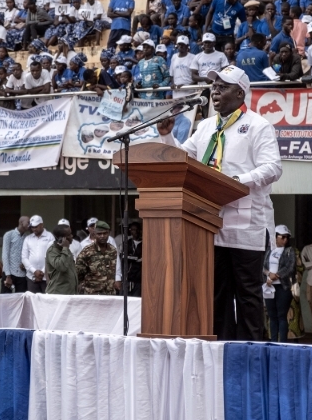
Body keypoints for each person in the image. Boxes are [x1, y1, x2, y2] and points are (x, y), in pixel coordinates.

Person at [158, 65, 282, 341]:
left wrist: (237, 181)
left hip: (245, 224)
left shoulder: (258, 126)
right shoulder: (205, 127)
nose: (215, 91)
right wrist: (167, 136)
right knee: (218, 292)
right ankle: (223, 347)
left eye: (222, 86)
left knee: (248, 293)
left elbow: (273, 168)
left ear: (240, 93)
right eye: (214, 86)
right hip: (210, 221)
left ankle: (252, 349)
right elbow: (183, 159)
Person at [263, 225, 296, 342]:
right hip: (269, 286)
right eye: (282, 237)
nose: (285, 240)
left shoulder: (289, 251)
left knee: (282, 315)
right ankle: (273, 340)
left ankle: (282, 341)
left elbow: (290, 267)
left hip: (283, 286)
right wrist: (268, 275)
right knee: (272, 316)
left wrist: (276, 275)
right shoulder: (268, 250)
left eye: (287, 237)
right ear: (275, 237)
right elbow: (262, 265)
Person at [76, 221, 117, 295]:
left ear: (109, 233)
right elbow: (79, 273)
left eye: (105, 233)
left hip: (109, 294)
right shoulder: (87, 251)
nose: (102, 236)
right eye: (99, 234)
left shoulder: (112, 250)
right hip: (92, 294)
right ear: (94, 234)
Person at [21, 215, 55, 293]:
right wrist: (34, 271)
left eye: (36, 227)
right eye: (32, 227)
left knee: (47, 301)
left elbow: (52, 256)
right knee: (33, 301)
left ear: (42, 225)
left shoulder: (50, 237)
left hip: (46, 277)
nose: (34, 229)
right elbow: (24, 257)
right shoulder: (28, 238)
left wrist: (43, 271)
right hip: (31, 276)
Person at [46, 224, 77, 295]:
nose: (72, 236)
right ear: (61, 239)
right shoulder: (52, 251)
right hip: (58, 293)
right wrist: (65, 248)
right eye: (69, 235)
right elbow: (61, 267)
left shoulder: (65, 249)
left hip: (69, 292)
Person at [2, 216, 29, 293]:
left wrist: (26, 265)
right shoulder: (9, 235)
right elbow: (5, 255)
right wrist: (8, 276)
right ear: (21, 223)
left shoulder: (27, 237)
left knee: (21, 299)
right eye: (28, 222)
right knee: (6, 299)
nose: (30, 225)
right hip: (9, 273)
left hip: (22, 274)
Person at [125, 222, 142, 297]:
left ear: (139, 230)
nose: (133, 232)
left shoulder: (143, 243)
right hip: (128, 276)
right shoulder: (127, 243)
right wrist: (136, 258)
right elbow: (123, 256)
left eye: (135, 229)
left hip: (139, 277)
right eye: (131, 229)